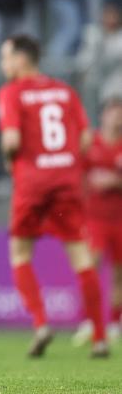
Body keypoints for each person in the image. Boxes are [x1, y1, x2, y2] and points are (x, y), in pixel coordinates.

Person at [0, 34, 108, 358]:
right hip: (66, 180)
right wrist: (68, 163)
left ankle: (42, 323)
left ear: (21, 59)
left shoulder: (11, 92)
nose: (3, 65)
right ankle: (99, 338)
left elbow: (13, 139)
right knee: (81, 257)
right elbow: (86, 136)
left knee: (19, 253)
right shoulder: (65, 91)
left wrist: (7, 158)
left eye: (6, 57)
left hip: (31, 182)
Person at [74, 98, 122, 345]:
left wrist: (114, 181)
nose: (117, 118)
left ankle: (115, 324)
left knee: (118, 274)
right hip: (94, 219)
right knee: (90, 268)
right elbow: (77, 176)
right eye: (113, 113)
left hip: (120, 219)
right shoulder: (90, 143)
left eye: (120, 114)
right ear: (103, 116)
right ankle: (88, 321)